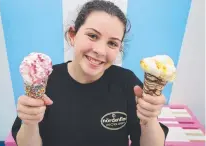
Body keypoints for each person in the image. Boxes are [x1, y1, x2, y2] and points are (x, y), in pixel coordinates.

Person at [11, 0, 169, 146]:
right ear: (72, 35)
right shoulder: (46, 81)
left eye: (112, 43)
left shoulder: (127, 83)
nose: (100, 50)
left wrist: (150, 119)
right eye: (92, 36)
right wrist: (30, 122)